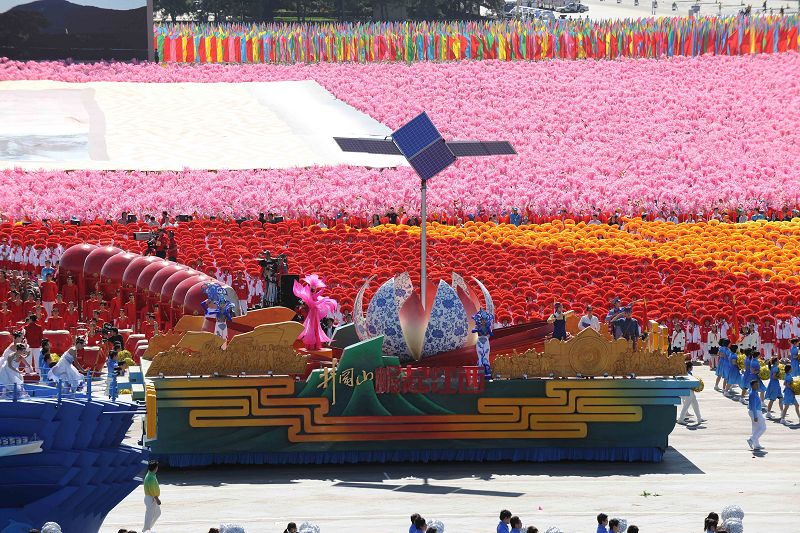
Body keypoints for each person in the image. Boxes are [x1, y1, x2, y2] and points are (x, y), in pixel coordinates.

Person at [143, 460, 161, 533]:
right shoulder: (150, 477)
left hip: (152, 498)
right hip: (151, 498)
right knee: (149, 515)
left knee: (157, 513)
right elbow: (151, 489)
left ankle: (148, 528)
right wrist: (157, 499)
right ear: (155, 468)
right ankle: (146, 530)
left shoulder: (151, 475)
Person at [747, 379, 766, 451]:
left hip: (756, 411)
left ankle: (756, 445)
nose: (758, 386)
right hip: (755, 412)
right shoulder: (752, 394)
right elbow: (753, 406)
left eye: (758, 384)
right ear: (752, 386)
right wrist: (755, 416)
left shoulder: (754, 392)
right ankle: (751, 440)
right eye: (756, 384)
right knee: (763, 427)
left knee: (755, 428)